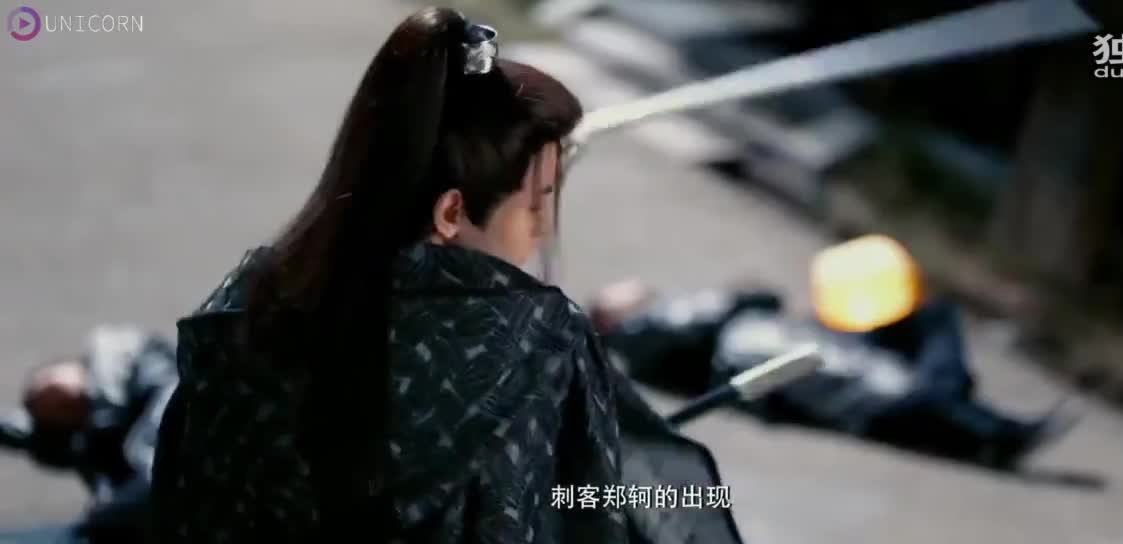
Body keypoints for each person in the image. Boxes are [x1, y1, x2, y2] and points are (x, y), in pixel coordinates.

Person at [150, 8, 742, 544]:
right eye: (537, 201)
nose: (542, 228)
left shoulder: (246, 310)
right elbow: (614, 501)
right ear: (452, 212)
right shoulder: (537, 342)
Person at [591, 235, 1077, 470]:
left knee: (914, 334)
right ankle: (985, 423)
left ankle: (990, 428)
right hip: (785, 360)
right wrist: (747, 296)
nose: (636, 285)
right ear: (611, 316)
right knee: (916, 352)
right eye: (622, 291)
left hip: (788, 359)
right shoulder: (649, 325)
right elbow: (741, 304)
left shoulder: (652, 328)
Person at [0, 325, 177, 543]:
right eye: (59, 410)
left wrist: (91, 522)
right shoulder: (100, 436)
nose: (51, 397)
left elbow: (153, 480)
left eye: (45, 384)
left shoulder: (147, 378)